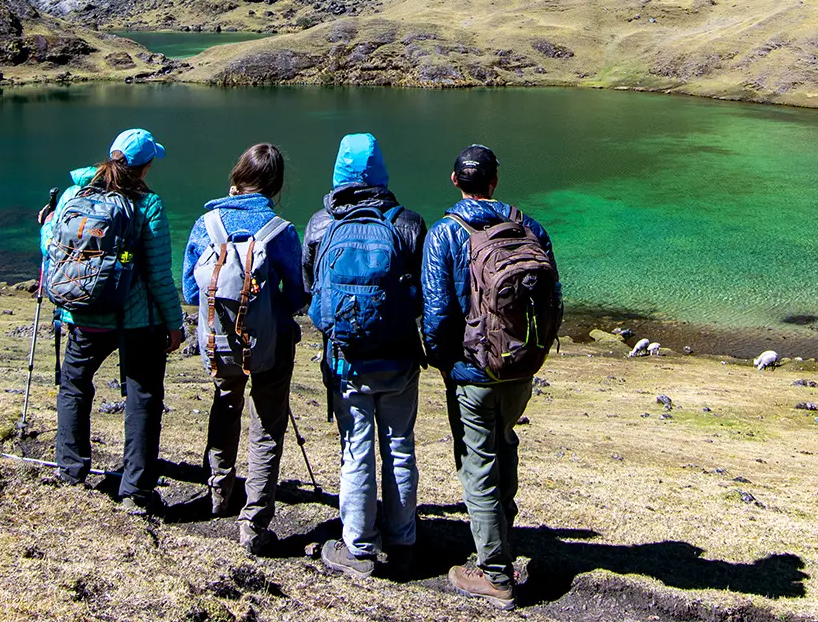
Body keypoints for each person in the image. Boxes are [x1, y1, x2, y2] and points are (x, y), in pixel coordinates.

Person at [421, 144, 561, 608]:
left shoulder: (444, 233)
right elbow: (553, 299)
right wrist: (534, 353)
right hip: (520, 366)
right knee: (505, 442)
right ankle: (502, 538)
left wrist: (445, 362)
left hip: (472, 371)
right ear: (495, 182)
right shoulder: (529, 227)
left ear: (454, 180)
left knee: (478, 462)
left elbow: (438, 313)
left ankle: (495, 573)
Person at [303, 133, 427, 578]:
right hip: (398, 357)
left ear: (339, 171)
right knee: (399, 446)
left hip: (345, 359)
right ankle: (403, 539)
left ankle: (357, 547)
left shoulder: (320, 224)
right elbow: (421, 297)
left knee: (355, 448)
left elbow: (309, 294)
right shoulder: (408, 223)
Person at [44, 128, 183, 515]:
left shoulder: (74, 195)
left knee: (74, 385)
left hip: (82, 312)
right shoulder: (148, 204)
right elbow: (158, 273)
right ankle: (136, 490)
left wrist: (44, 225)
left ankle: (71, 471)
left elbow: (51, 248)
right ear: (146, 165)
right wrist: (174, 323)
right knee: (142, 397)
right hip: (137, 319)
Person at [181, 143, 305, 556]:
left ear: (236, 176)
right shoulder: (281, 230)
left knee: (225, 403)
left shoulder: (206, 224)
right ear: (276, 186)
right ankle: (254, 522)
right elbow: (297, 295)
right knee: (267, 423)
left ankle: (219, 493)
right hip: (268, 343)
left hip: (218, 341)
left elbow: (188, 288)